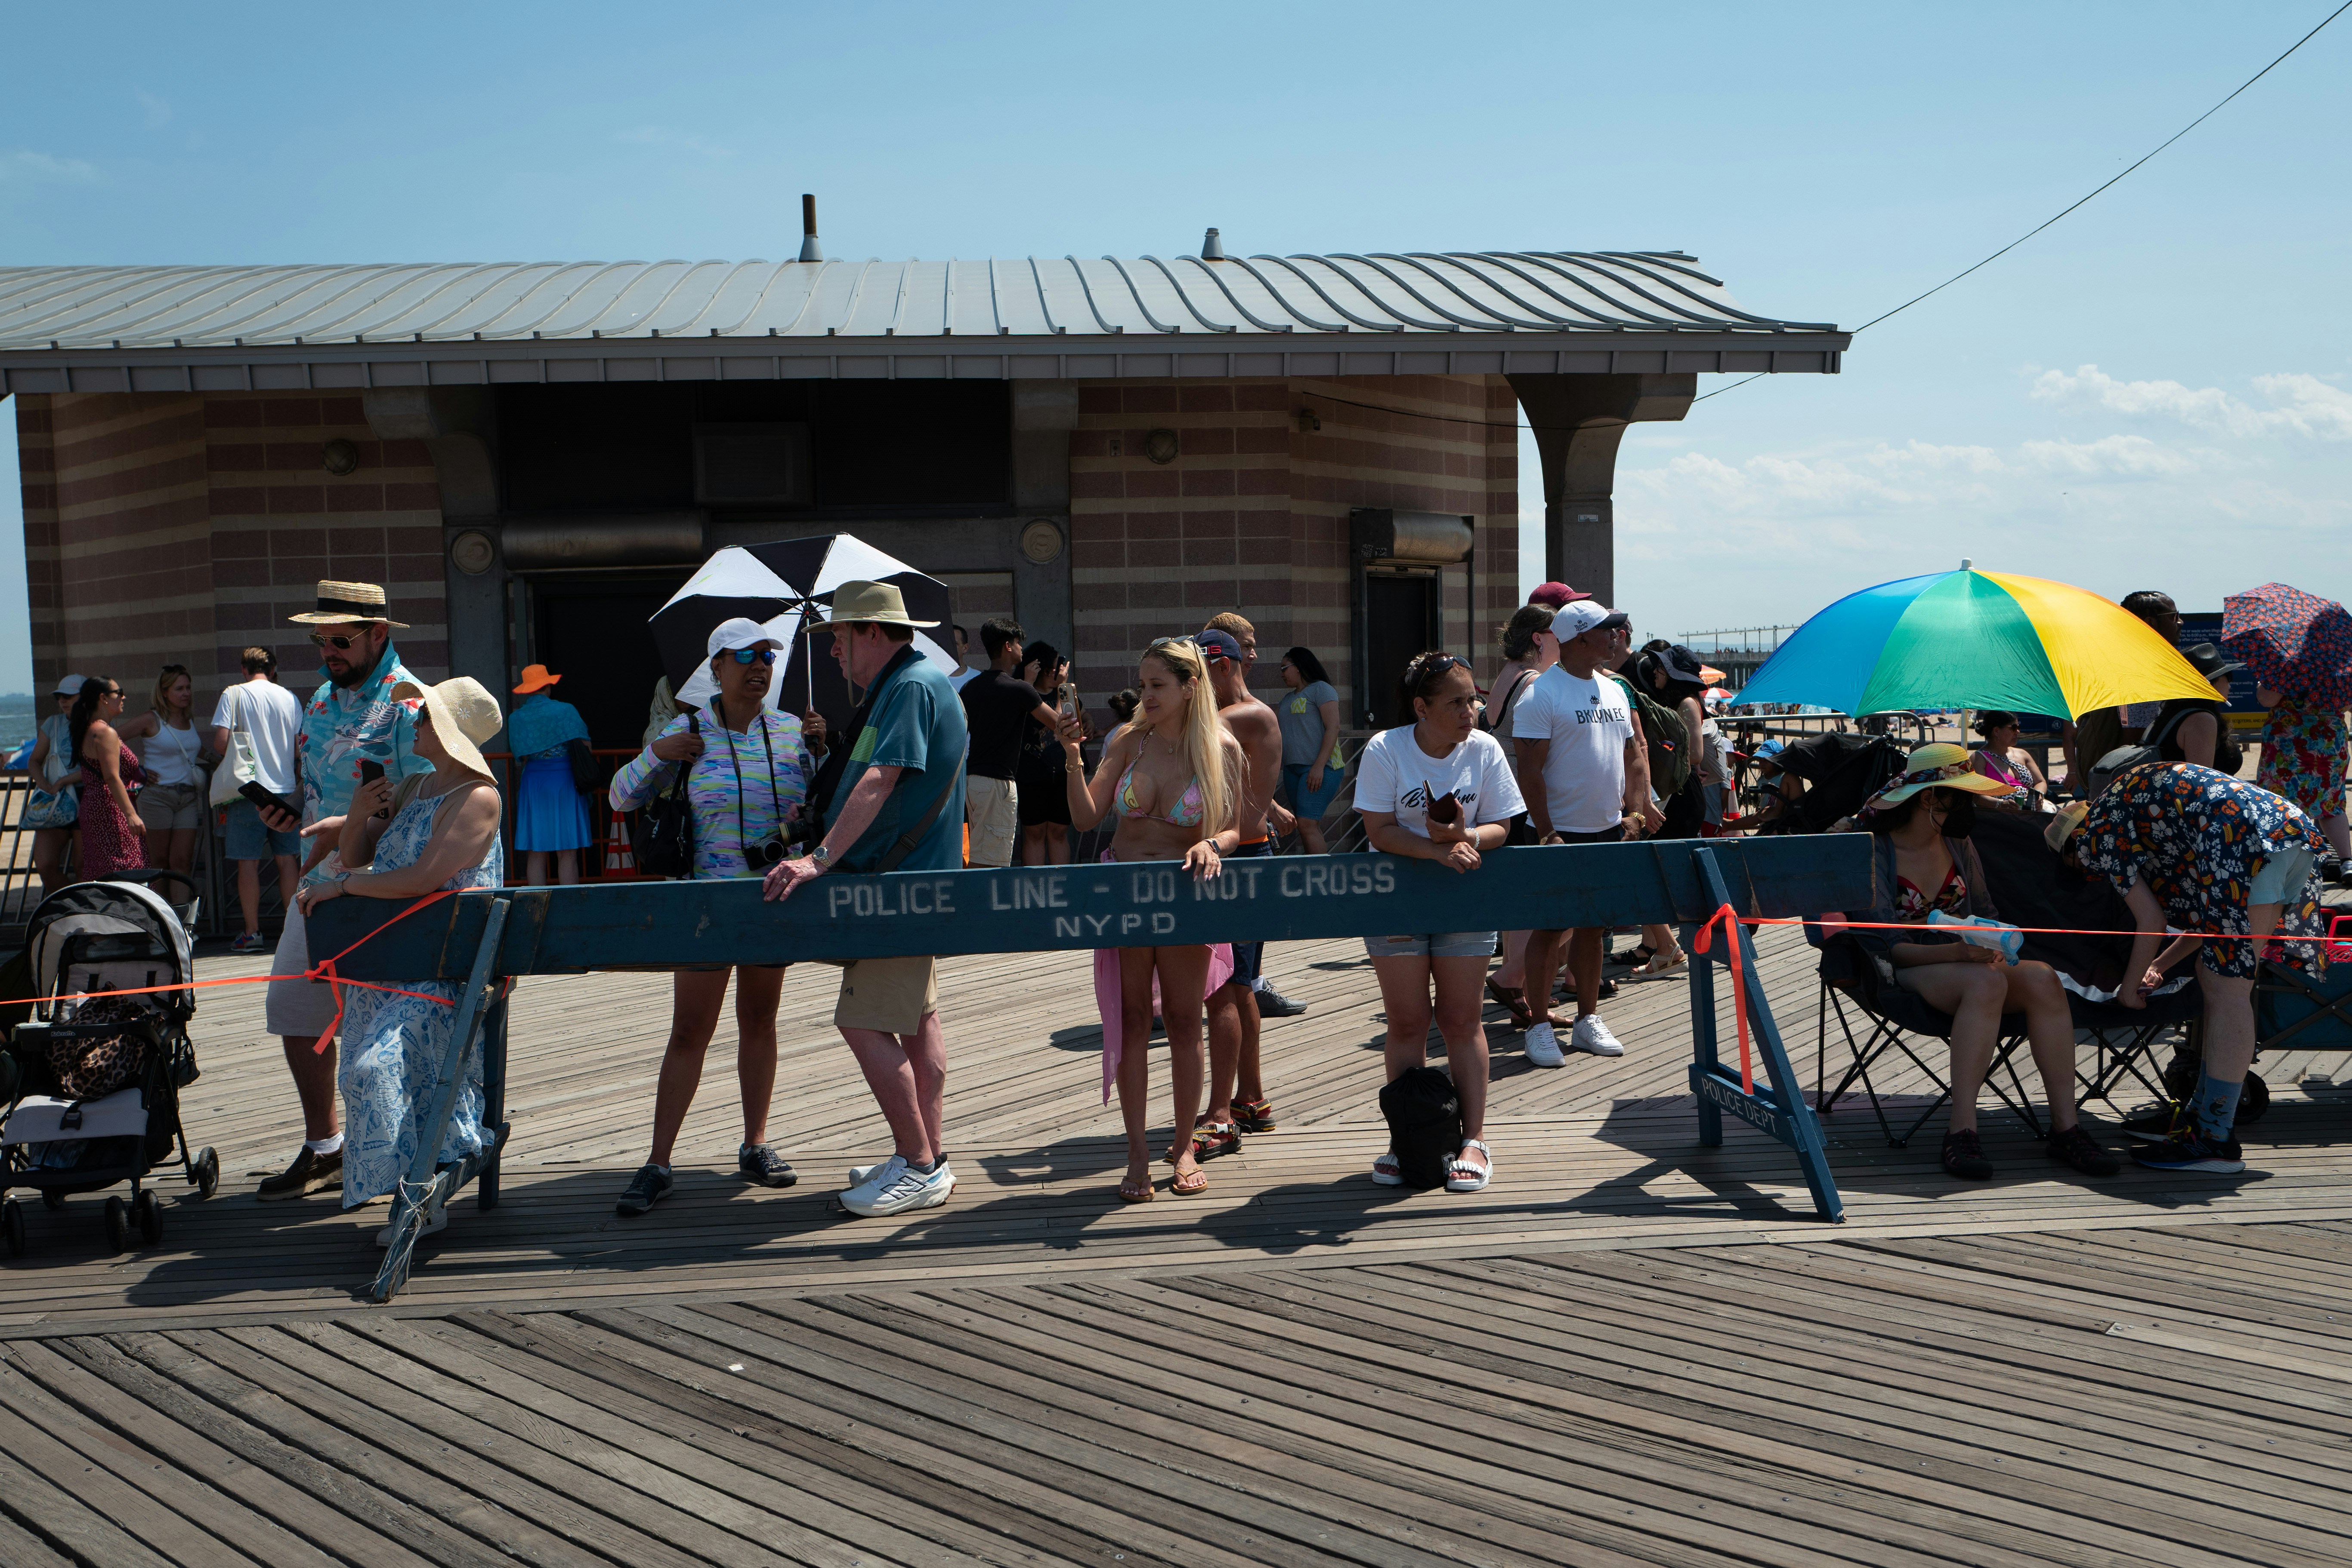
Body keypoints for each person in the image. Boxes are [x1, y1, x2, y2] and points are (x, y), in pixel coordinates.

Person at [763, 581, 967, 1219]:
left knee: (862, 1020)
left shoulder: (908, 686)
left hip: (896, 890)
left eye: (840, 637)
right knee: (918, 1024)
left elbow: (882, 778)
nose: (834, 652)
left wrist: (817, 858)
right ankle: (925, 1151)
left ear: (873, 632)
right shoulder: (911, 682)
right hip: (912, 884)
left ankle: (919, 1163)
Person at [607, 620, 815, 1217]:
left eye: (767, 655)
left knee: (760, 1019)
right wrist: (657, 753)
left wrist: (822, 757)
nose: (759, 665)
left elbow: (818, 811)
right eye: (744, 656)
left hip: (773, 898)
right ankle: (658, 1160)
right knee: (689, 1029)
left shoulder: (792, 730)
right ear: (715, 668)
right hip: (705, 905)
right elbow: (622, 796)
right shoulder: (689, 727)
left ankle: (755, 1144)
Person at [1842, 746, 2120, 1181]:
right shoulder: (1875, 851)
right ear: (1929, 798)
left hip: (1971, 961)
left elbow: (1984, 908)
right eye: (1961, 796)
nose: (1971, 806)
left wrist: (1991, 938)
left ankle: (2067, 1128)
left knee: (2043, 978)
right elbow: (1887, 945)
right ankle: (1961, 1130)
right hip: (1907, 967)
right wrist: (1956, 951)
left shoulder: (1958, 843)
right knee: (1985, 984)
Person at [292, 676, 505, 1243]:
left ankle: (421, 1186)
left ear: (451, 730)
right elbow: (360, 855)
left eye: (427, 715)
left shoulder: (478, 796)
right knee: (363, 1071)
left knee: (372, 1069)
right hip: (393, 966)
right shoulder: (417, 785)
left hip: (444, 972)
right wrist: (359, 814)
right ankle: (416, 1188)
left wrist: (342, 888)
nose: (415, 722)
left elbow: (421, 878)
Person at [2054, 753, 2331, 1173]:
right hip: (2283, 829)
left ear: (2077, 844)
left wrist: (2128, 990)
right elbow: (2207, 924)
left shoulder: (2099, 832)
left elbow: (2150, 920)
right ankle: (2201, 1120)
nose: (2094, 873)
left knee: (2226, 987)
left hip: (2244, 840)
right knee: (2216, 975)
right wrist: (2160, 967)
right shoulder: (2131, 804)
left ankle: (2213, 1139)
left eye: (2080, 866)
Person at [251, 580, 430, 1201]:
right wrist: (290, 810)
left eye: (339, 639)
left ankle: (392, 1154)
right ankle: (326, 1144)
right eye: (319, 638)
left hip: (384, 886)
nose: (326, 649)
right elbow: (324, 783)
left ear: (378, 634)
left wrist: (355, 829)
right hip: (317, 881)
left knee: (377, 1029)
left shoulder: (404, 703)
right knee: (295, 1011)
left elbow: (423, 798)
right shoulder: (323, 698)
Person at [1056, 634, 1239, 1203]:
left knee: (1186, 1020)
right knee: (1133, 1019)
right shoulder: (1126, 740)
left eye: (1158, 684)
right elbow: (1086, 818)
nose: (1147, 694)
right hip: (1127, 892)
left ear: (1190, 687)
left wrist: (1212, 841)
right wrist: (1071, 757)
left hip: (1186, 894)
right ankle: (1137, 1150)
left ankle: (1183, 1145)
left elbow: (1236, 828)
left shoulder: (1220, 747)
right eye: (1143, 684)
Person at [1356, 651, 1524, 1192]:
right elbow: (1379, 831)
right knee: (1406, 1023)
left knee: (1460, 1020)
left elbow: (1502, 824)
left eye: (1473, 698)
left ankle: (1473, 1138)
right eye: (1455, 701)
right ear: (1420, 708)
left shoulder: (1485, 748)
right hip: (1398, 902)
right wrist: (1437, 851)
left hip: (1464, 902)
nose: (1469, 710)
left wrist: (1467, 839)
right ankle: (1406, 1137)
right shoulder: (1386, 748)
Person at [1512, 601, 1657, 1066]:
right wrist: (1547, 832)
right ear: (1579, 638)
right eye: (1607, 630)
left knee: (1593, 927)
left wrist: (1634, 815)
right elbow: (1529, 771)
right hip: (1557, 833)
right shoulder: (1540, 694)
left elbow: (1634, 754)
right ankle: (1537, 1024)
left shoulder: (1614, 689)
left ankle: (1585, 1020)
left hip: (1608, 829)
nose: (1616, 637)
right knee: (1549, 927)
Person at [1196, 627, 1286, 1154]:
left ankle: (1221, 1112)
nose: (1191, 689)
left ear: (1223, 667)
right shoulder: (1238, 717)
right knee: (1240, 986)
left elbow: (1180, 730)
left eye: (1195, 677)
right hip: (1234, 853)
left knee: (1225, 991)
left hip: (1244, 859)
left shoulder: (1248, 714)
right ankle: (1250, 1097)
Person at [1203, 612, 1306, 1020]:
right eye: (1246, 645)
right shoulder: (1224, 710)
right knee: (1226, 980)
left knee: (1235, 984)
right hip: (1220, 850)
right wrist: (1273, 806)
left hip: (1243, 852)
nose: (1255, 653)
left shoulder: (1245, 714)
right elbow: (1242, 778)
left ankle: (1248, 1084)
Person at [1478, 608, 1558, 1029]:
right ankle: (1515, 980)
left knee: (1516, 904)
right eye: (1556, 634)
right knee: (1545, 901)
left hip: (1501, 798)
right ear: (1539, 638)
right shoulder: (1534, 682)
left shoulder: (1507, 673)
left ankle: (1519, 990)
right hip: (1524, 801)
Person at [209, 647, 306, 953]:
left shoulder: (234, 694)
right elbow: (297, 750)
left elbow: (222, 742)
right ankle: (293, 931)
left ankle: (252, 933)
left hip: (248, 790)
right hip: (286, 788)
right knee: (287, 860)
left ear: (243, 669)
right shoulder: (289, 698)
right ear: (274, 668)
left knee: (247, 863)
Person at [959, 617, 1062, 870]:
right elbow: (1060, 726)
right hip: (997, 783)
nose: (1021, 650)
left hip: (971, 781)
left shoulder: (970, 688)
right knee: (992, 866)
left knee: (978, 857)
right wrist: (1061, 688)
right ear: (1008, 646)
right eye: (1017, 643)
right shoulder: (1019, 690)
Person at [2071, 590, 2182, 778]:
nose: (2180, 622)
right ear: (2150, 623)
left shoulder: (2120, 660)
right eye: (2174, 616)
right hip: (2137, 782)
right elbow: (2135, 742)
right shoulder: (2140, 669)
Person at [505, 664, 595, 887]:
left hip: (534, 782)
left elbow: (521, 755)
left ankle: (536, 906)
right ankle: (570, 908)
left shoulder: (517, 719)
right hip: (565, 780)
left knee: (536, 852)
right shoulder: (566, 711)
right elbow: (586, 747)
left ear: (526, 690)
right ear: (548, 686)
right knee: (567, 853)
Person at [117, 665, 210, 877]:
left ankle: (179, 911)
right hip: (156, 797)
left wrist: (216, 758)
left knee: (182, 862)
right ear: (164, 692)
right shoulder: (151, 719)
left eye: (188, 688)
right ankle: (159, 909)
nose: (186, 693)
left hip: (187, 797)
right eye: (179, 689)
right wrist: (135, 771)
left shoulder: (188, 719)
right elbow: (111, 740)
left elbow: (189, 748)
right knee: (158, 862)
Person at [2256, 678, 2352, 861]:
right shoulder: (2338, 665)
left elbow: (2266, 699)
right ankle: (2346, 861)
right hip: (2328, 741)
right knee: (2331, 803)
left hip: (2286, 741)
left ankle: (2285, 860)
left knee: (2280, 802)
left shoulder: (2284, 663)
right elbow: (2348, 704)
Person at [68, 677, 147, 878]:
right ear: (103, 698)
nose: (124, 697)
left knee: (102, 871)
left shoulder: (89, 730)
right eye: (118, 693)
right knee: (124, 871)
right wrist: (131, 814)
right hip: (110, 809)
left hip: (94, 808)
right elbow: (112, 777)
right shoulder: (105, 733)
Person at [18, 674, 90, 895]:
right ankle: (73, 907)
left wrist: (63, 781)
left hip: (87, 797)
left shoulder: (98, 725)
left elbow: (101, 767)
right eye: (60, 697)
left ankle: (84, 920)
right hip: (56, 800)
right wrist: (45, 785)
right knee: (45, 865)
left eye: (69, 696)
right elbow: (34, 760)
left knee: (83, 867)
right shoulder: (53, 723)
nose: (63, 701)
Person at [1276, 646, 1345, 856]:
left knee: (1307, 824)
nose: (1282, 674)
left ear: (1298, 667)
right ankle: (1313, 871)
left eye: (1284, 668)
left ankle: (1321, 877)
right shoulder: (1287, 699)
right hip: (1292, 770)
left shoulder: (1321, 689)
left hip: (1321, 768)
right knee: (1306, 825)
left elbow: (1333, 728)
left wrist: (1318, 767)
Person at [1016, 640, 1077, 866]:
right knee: (1034, 833)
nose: (1059, 670)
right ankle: (1035, 890)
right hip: (1031, 771)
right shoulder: (1022, 691)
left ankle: (1063, 884)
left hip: (1061, 772)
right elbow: (1057, 724)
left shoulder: (1066, 691)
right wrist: (1028, 683)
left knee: (1060, 832)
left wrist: (1089, 721)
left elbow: (1078, 716)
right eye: (1055, 666)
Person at [2142, 645, 2244, 776]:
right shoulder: (2201, 720)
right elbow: (2202, 781)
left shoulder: (2174, 712)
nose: (2230, 684)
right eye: (2228, 676)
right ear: (2209, 683)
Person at [1968, 711, 2048, 807]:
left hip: (2030, 813)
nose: (2018, 732)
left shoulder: (2023, 754)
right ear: (1996, 731)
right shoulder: (1979, 758)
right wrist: (2000, 804)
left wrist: (2038, 796)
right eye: (2014, 728)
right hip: (1998, 817)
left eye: (2018, 727)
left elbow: (2040, 782)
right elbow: (1977, 796)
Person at [948, 624, 979, 692]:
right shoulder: (935, 678)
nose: (949, 647)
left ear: (965, 648)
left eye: (954, 643)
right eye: (947, 643)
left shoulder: (977, 677)